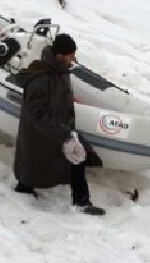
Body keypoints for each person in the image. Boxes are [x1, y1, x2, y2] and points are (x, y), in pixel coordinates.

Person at [13, 33, 106, 216]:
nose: (74, 59)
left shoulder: (61, 71)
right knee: (37, 165)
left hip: (59, 129)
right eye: (71, 55)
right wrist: (64, 133)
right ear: (59, 56)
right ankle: (24, 190)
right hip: (42, 134)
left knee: (75, 159)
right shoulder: (40, 79)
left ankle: (81, 201)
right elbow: (36, 115)